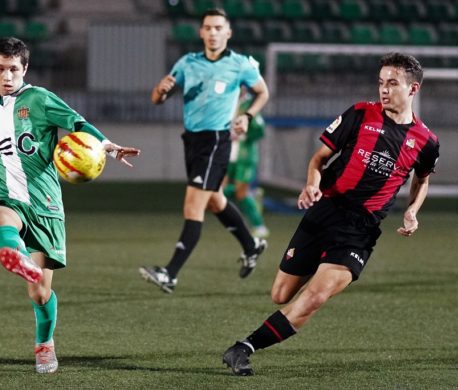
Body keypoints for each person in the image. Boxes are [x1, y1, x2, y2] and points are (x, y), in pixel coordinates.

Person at [222, 52, 440, 376]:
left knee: (315, 296)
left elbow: (421, 180)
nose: (383, 89)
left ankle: (244, 348)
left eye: (392, 83)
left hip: (360, 229)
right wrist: (311, 184)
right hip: (325, 210)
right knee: (280, 294)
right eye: (381, 82)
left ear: (413, 89)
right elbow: (319, 158)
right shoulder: (359, 114)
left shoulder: (425, 142)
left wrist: (412, 210)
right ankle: (321, 269)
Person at [0, 37, 140, 374]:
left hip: (44, 205)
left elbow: (77, 123)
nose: (6, 75)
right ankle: (14, 253)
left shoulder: (39, 99)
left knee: (39, 294)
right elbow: (2, 156)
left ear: (25, 69)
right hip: (5, 195)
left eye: (13, 69)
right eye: (0, 69)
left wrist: (108, 147)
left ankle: (44, 345)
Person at [138, 8, 269, 293]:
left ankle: (170, 274)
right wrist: (161, 89)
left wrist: (247, 116)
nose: (212, 33)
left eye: (218, 27)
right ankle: (252, 244)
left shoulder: (240, 65)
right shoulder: (187, 63)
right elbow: (158, 98)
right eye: (208, 27)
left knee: (193, 205)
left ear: (228, 33)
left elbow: (262, 92)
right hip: (193, 140)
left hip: (217, 141)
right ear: (201, 32)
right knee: (214, 201)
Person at [223, 90, 269, 239]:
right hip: (228, 154)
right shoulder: (227, 101)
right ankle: (250, 198)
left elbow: (260, 130)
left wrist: (243, 134)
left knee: (240, 192)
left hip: (245, 156)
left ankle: (259, 225)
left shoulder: (250, 105)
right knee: (219, 192)